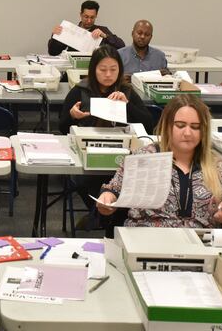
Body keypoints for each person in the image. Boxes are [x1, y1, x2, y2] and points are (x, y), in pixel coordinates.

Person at [97, 94, 222, 230]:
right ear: (167, 126)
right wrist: (107, 201)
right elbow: (112, 191)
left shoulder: (217, 167)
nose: (187, 133)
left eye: (195, 127)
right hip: (148, 242)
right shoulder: (144, 158)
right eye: (180, 125)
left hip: (200, 246)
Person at [59, 45, 153, 216]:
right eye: (103, 69)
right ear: (94, 69)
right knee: (87, 181)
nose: (108, 75)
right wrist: (72, 116)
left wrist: (128, 105)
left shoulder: (126, 91)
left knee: (132, 184)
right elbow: (62, 127)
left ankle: (103, 218)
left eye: (113, 69)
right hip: (88, 159)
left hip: (122, 160)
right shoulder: (80, 90)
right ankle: (101, 216)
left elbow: (148, 124)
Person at [48, 0, 125, 56]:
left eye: (92, 17)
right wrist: (55, 36)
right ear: (81, 14)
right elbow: (53, 52)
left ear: (96, 16)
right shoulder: (71, 31)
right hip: (74, 68)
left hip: (95, 68)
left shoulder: (102, 30)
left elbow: (121, 47)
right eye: (86, 17)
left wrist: (105, 36)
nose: (89, 20)